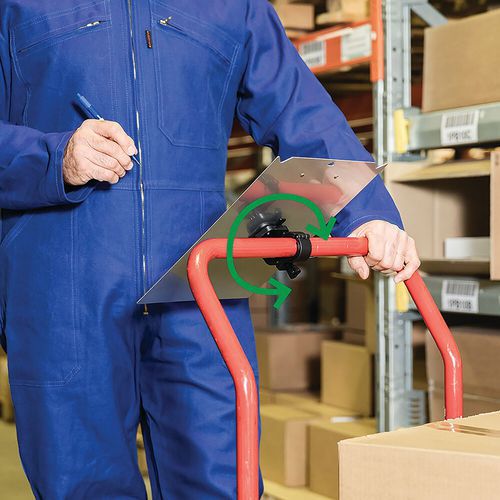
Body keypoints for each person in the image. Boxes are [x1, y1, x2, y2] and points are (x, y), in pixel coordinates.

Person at [0, 1, 419, 498]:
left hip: (197, 286)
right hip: (62, 287)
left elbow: (301, 109)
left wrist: (366, 212)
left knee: (222, 478)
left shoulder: (234, 6)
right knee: (82, 483)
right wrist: (56, 157)